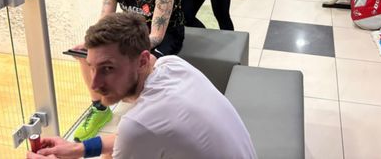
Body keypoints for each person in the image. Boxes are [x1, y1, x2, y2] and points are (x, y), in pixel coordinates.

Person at [27, 13, 256, 159]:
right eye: (92, 67)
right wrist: (77, 149)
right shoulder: (173, 65)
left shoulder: (139, 125)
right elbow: (132, 137)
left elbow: (135, 134)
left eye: (108, 68)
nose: (95, 84)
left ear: (143, 61)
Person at [71, 0, 186, 142]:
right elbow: (105, 18)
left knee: (146, 62)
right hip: (131, 32)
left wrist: (122, 51)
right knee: (86, 55)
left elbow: (157, 36)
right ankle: (99, 109)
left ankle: (147, 119)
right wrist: (91, 44)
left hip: (165, 36)